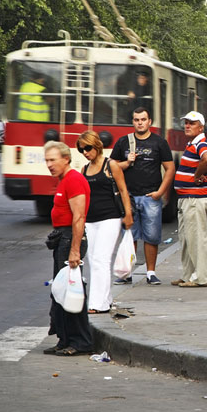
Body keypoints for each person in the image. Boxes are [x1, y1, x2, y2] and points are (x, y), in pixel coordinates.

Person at [111, 107, 175, 285]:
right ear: (133, 122)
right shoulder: (123, 142)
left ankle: (151, 272)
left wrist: (160, 192)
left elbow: (170, 169)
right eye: (136, 119)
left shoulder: (159, 143)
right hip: (128, 197)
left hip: (150, 196)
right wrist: (127, 162)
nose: (140, 122)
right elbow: (112, 167)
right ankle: (127, 272)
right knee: (129, 236)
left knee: (151, 237)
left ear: (150, 122)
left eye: (143, 119)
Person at [42, 141, 93, 356]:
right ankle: (64, 339)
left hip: (70, 240)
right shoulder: (64, 180)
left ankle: (80, 342)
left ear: (66, 159)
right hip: (62, 238)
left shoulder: (74, 180)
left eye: (53, 160)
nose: (49, 165)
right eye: (47, 160)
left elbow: (79, 217)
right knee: (60, 292)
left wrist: (74, 251)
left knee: (72, 291)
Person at [78, 131, 133, 313]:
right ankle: (106, 299)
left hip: (110, 218)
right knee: (93, 260)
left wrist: (128, 214)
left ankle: (97, 304)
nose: (85, 152)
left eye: (87, 148)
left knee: (101, 258)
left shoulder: (111, 165)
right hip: (90, 220)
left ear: (96, 145)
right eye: (81, 149)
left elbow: (124, 190)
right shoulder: (84, 169)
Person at [171, 111, 207, 288]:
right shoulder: (192, 144)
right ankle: (188, 274)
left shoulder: (201, 143)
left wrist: (197, 175)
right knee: (186, 239)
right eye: (186, 123)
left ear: (201, 127)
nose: (187, 126)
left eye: (192, 123)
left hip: (194, 199)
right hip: (187, 198)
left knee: (195, 239)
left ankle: (200, 278)